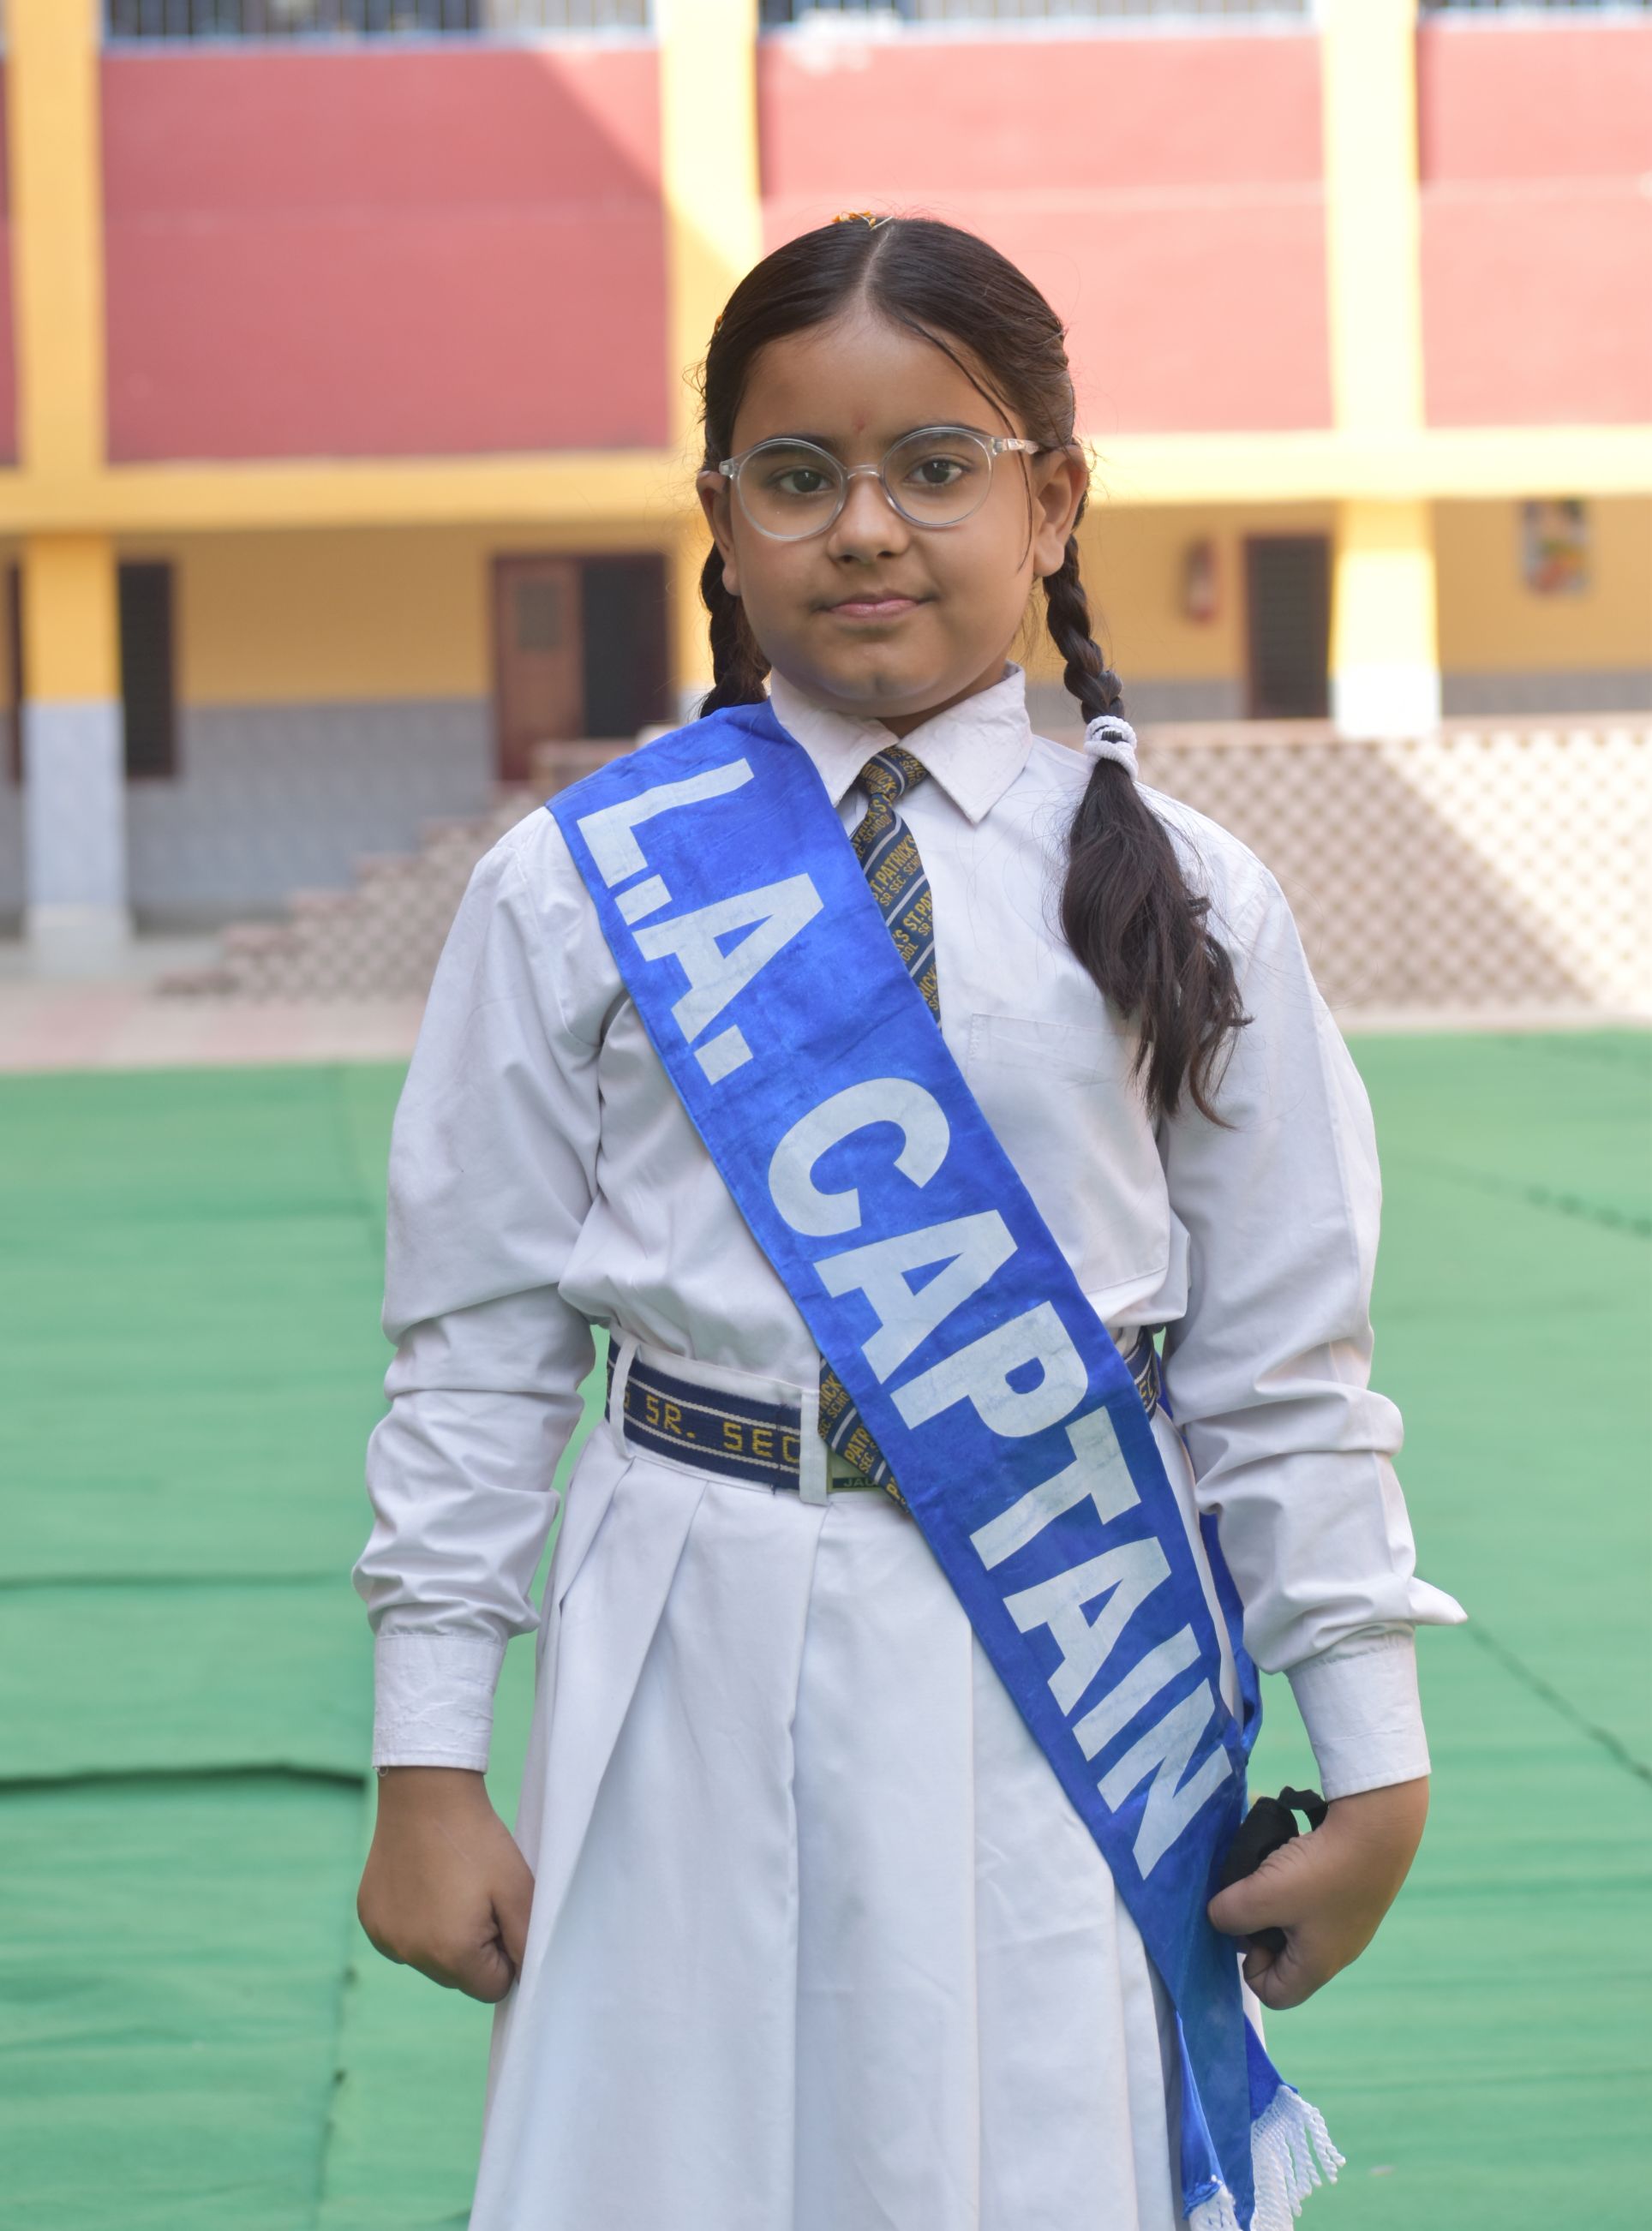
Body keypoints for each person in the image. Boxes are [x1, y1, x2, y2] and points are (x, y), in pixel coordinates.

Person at [351, 215, 1466, 2231]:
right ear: (720, 517)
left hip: (1058, 1650)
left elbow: (1282, 1366)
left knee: (1025, 2153)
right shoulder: (577, 886)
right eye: (798, 476)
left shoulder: (1189, 895)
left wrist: (1372, 1755)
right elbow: (478, 1350)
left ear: (1054, 500)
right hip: (685, 1626)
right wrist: (428, 1764)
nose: (865, 527)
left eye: (936, 468)